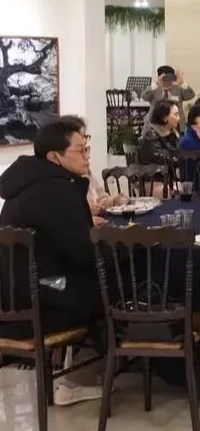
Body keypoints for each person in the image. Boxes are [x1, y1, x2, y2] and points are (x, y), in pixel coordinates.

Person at [0, 119, 105, 405]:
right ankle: (79, 379)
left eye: (87, 149)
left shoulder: (24, 183)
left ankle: (83, 372)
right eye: (80, 151)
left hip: (14, 296)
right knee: (109, 289)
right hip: (42, 295)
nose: (87, 157)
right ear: (54, 157)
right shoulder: (56, 189)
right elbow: (83, 253)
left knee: (91, 282)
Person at [140, 65, 195, 129]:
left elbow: (191, 95)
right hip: (155, 125)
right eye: (165, 78)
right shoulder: (154, 89)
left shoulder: (178, 89)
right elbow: (144, 97)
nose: (168, 82)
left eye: (170, 78)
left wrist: (182, 83)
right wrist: (156, 83)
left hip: (176, 125)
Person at [138, 99, 181, 166]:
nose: (179, 118)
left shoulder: (173, 133)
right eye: (176, 114)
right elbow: (162, 158)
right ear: (164, 118)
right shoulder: (151, 135)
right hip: (154, 171)